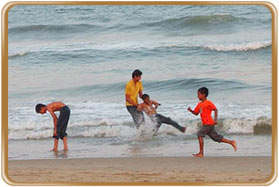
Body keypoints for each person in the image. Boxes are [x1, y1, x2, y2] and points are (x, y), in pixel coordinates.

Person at [187, 87, 237, 157]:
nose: (197, 96)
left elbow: (215, 109)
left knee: (199, 134)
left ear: (204, 95)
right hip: (206, 124)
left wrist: (215, 120)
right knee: (215, 138)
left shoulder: (208, 103)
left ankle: (201, 153)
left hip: (209, 123)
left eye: (199, 94)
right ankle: (231, 142)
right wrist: (191, 110)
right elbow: (196, 113)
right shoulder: (199, 104)